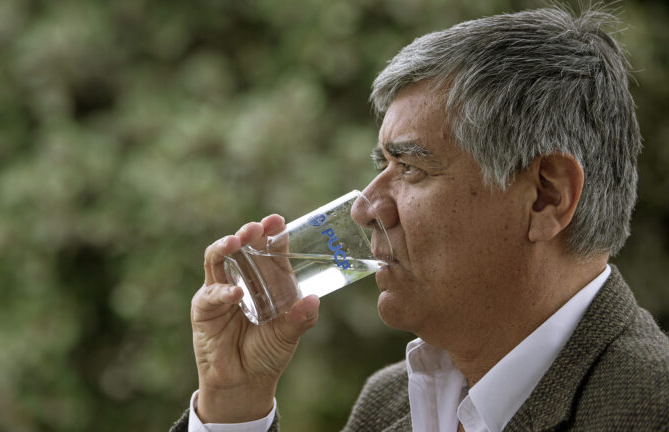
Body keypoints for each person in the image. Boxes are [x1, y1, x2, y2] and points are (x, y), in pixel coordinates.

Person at [171, 6, 669, 432]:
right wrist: (233, 408)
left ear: (546, 197)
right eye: (381, 166)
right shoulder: (387, 404)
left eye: (410, 168)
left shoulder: (652, 407)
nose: (365, 208)